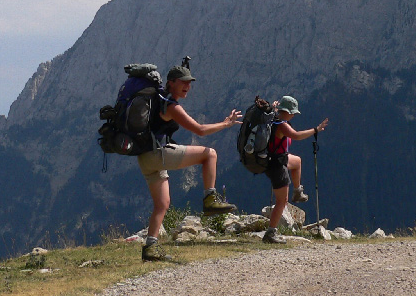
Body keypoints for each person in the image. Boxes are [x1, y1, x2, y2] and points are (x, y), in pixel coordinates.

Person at [139, 65, 242, 261]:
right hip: (157, 154)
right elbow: (200, 130)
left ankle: (150, 248)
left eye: (189, 82)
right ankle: (210, 199)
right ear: (171, 83)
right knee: (209, 154)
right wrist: (226, 123)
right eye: (183, 82)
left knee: (162, 204)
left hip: (145, 157)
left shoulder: (158, 100)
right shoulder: (170, 106)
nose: (187, 86)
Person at [262, 95, 328, 244]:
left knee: (297, 161)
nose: (293, 115)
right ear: (287, 111)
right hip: (277, 165)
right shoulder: (282, 125)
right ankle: (270, 233)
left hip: (276, 159)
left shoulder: (273, 117)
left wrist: (274, 108)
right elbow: (296, 136)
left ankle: (298, 191)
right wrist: (315, 130)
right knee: (282, 201)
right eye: (292, 112)